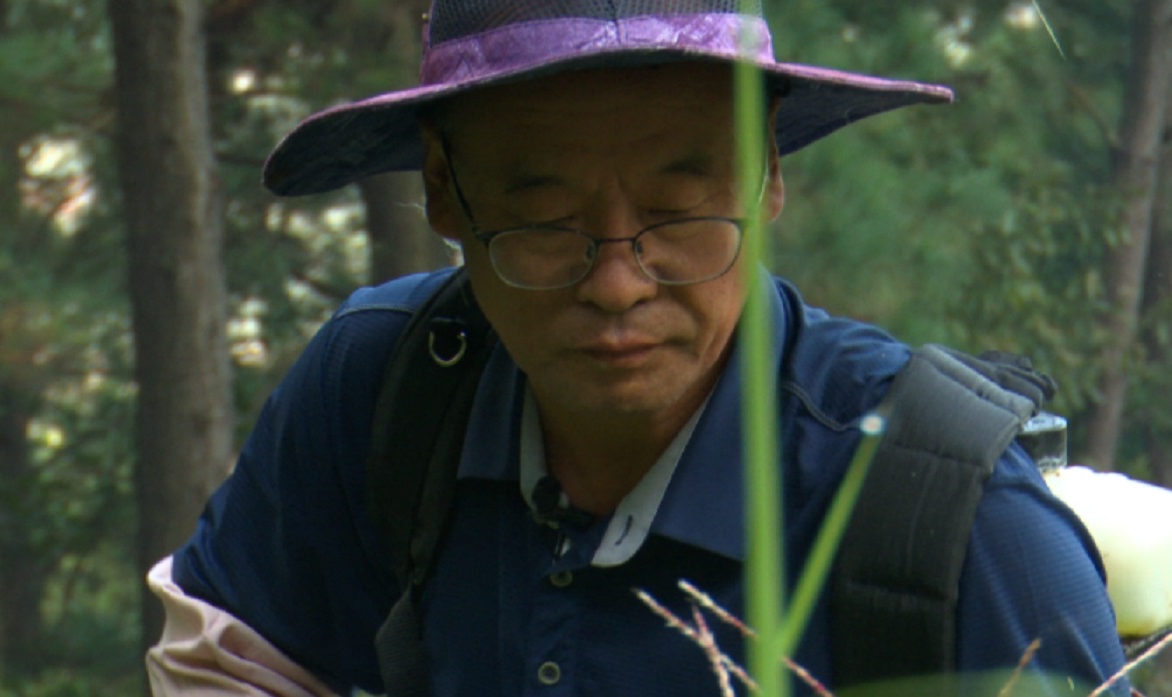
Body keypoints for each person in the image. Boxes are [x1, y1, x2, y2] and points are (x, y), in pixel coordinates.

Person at [146, 2, 1130, 695]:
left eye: (677, 211)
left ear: (767, 173)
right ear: (447, 193)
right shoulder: (384, 394)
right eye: (545, 221)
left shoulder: (953, 521)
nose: (618, 284)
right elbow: (229, 665)